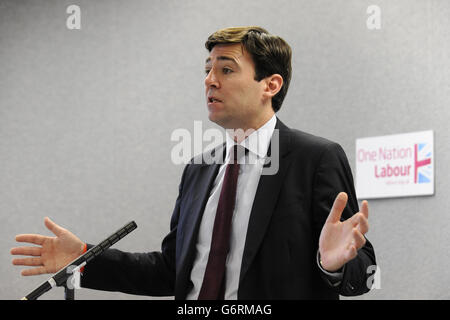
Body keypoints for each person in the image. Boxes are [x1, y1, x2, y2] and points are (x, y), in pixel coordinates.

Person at [11, 26, 376, 299]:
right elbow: (171, 271)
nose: (209, 81)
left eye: (226, 70)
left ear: (271, 84)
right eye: (207, 69)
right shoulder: (199, 169)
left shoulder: (316, 159)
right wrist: (84, 258)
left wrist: (334, 265)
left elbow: (365, 272)